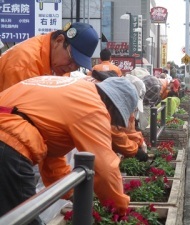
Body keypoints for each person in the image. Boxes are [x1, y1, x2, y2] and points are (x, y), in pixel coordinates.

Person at [0, 76, 138, 224]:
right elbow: (105, 168)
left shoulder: (75, 91)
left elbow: (53, 159)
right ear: (112, 106)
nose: (111, 122)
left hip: (7, 136)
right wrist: (119, 210)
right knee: (25, 218)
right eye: (115, 119)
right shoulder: (92, 107)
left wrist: (72, 194)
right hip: (8, 141)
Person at [0, 22, 99, 92]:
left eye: (78, 65)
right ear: (59, 41)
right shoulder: (24, 64)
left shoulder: (55, 60)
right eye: (71, 59)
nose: (72, 67)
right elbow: (14, 114)